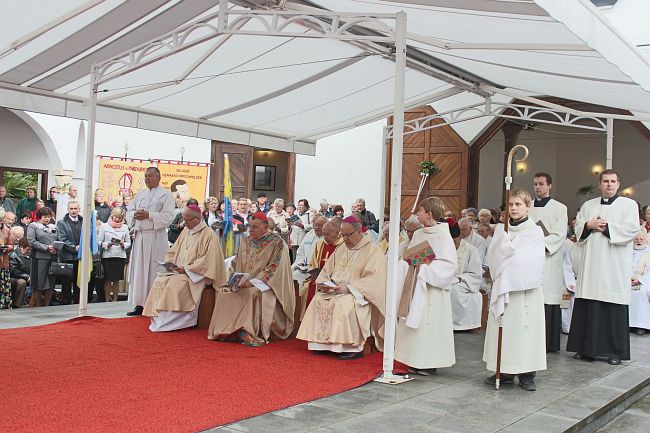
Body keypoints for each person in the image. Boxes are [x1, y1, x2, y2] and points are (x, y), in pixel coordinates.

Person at [567, 169, 639, 365]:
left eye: (612, 181)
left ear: (618, 184)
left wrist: (606, 227)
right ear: (599, 184)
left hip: (613, 265)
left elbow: (632, 229)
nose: (609, 185)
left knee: (612, 307)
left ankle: (614, 352)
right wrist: (589, 225)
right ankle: (585, 349)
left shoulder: (628, 205)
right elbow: (578, 226)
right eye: (605, 181)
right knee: (588, 307)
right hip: (591, 264)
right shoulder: (589, 205)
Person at [297, 215, 386, 359]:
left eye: (348, 235)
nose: (344, 239)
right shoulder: (342, 248)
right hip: (335, 290)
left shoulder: (372, 250)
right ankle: (322, 344)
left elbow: (374, 279)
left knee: (342, 305)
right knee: (318, 299)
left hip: (357, 294)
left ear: (358, 231)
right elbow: (326, 270)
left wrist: (348, 288)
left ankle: (352, 347)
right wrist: (324, 284)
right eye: (342, 235)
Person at [483, 188, 546, 391]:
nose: (514, 208)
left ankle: (527, 373)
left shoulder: (534, 231)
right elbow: (492, 257)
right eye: (510, 205)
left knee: (524, 332)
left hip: (523, 292)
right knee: (506, 330)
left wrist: (506, 256)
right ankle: (504, 370)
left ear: (527, 206)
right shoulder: (502, 229)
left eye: (518, 204)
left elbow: (529, 261)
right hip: (504, 288)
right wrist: (504, 257)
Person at [208, 212, 294, 345]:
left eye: (255, 227)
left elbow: (275, 268)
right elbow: (236, 263)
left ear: (265, 228)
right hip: (243, 283)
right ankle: (226, 331)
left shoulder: (277, 243)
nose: (251, 230)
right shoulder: (246, 241)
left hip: (265, 286)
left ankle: (246, 331)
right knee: (224, 292)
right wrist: (234, 279)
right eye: (250, 226)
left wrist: (252, 282)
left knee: (250, 294)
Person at [395, 198, 457, 374]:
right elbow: (410, 257)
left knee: (429, 326)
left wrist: (425, 268)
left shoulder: (444, 235)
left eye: (420, 210)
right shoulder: (420, 234)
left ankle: (429, 363)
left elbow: (449, 266)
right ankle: (412, 359)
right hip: (415, 286)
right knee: (415, 324)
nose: (417, 214)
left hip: (432, 289)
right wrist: (406, 263)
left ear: (429, 213)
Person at [144, 205, 226, 332]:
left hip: (198, 275)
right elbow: (174, 251)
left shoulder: (209, 234)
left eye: (187, 220)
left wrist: (187, 269)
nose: (184, 223)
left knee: (173, 283)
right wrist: (169, 262)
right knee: (160, 279)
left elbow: (209, 260)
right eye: (183, 219)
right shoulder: (186, 231)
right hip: (180, 272)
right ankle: (160, 318)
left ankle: (176, 320)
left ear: (197, 219)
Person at [527, 172, 568, 353]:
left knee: (547, 298)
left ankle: (548, 344)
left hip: (548, 257)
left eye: (541, 184)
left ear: (549, 186)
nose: (538, 187)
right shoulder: (527, 207)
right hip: (529, 258)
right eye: (535, 184)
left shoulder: (560, 208)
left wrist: (540, 245)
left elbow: (559, 234)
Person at [125, 167, 175, 316]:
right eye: (146, 176)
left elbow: (168, 216)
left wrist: (150, 215)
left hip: (156, 237)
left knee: (154, 270)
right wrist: (135, 214)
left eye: (151, 176)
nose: (147, 179)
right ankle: (139, 304)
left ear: (158, 177)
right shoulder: (140, 194)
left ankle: (155, 303)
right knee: (139, 271)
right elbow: (129, 211)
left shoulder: (166, 195)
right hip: (140, 237)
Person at [297, 218, 342, 319]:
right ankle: (308, 320)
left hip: (333, 281)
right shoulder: (320, 244)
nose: (325, 237)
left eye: (328, 234)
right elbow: (313, 264)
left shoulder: (342, 246)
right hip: (319, 279)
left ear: (337, 232)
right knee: (308, 287)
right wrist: (314, 272)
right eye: (324, 234)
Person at [448, 218, 483, 331]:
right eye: (450, 241)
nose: (452, 244)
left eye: (454, 241)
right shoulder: (445, 248)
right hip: (445, 279)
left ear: (460, 237)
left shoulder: (471, 250)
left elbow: (475, 274)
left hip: (464, 282)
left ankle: (457, 324)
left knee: (455, 290)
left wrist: (459, 278)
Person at [26, 207, 58, 307]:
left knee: (51, 282)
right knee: (38, 282)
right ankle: (38, 305)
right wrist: (46, 248)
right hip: (39, 258)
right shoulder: (33, 226)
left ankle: (47, 305)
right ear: (40, 217)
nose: (47, 219)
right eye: (45, 217)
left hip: (52, 257)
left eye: (49, 217)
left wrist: (57, 248)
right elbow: (31, 241)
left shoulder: (54, 227)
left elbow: (60, 239)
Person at [98, 207, 131, 302]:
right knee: (108, 279)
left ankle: (115, 300)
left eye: (120, 218)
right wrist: (107, 244)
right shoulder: (104, 226)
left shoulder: (125, 227)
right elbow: (99, 241)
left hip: (120, 255)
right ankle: (107, 300)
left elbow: (128, 242)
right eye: (116, 217)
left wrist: (122, 244)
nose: (118, 219)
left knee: (117, 280)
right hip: (108, 256)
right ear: (112, 216)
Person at [56, 200, 83, 304]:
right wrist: (74, 247)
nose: (73, 211)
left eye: (75, 208)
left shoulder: (83, 221)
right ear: (68, 210)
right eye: (71, 209)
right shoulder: (61, 223)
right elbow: (62, 239)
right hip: (67, 257)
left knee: (79, 282)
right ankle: (66, 304)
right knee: (66, 283)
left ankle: (78, 303)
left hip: (80, 257)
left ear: (78, 209)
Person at [629, 230, 650, 335]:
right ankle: (627, 324)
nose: (639, 241)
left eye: (641, 239)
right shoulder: (627, 252)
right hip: (627, 281)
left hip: (644, 282)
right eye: (636, 239)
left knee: (641, 292)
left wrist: (639, 281)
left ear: (646, 240)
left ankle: (641, 325)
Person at [562, 233, 581, 334]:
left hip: (584, 282)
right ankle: (566, 327)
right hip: (571, 280)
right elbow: (567, 265)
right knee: (567, 304)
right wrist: (570, 282)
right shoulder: (570, 247)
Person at [9, 236, 30, 308]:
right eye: (27, 249)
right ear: (21, 247)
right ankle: (17, 304)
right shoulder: (14, 255)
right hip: (14, 277)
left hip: (26, 276)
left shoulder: (29, 256)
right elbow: (13, 270)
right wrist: (27, 277)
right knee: (22, 282)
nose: (29, 251)